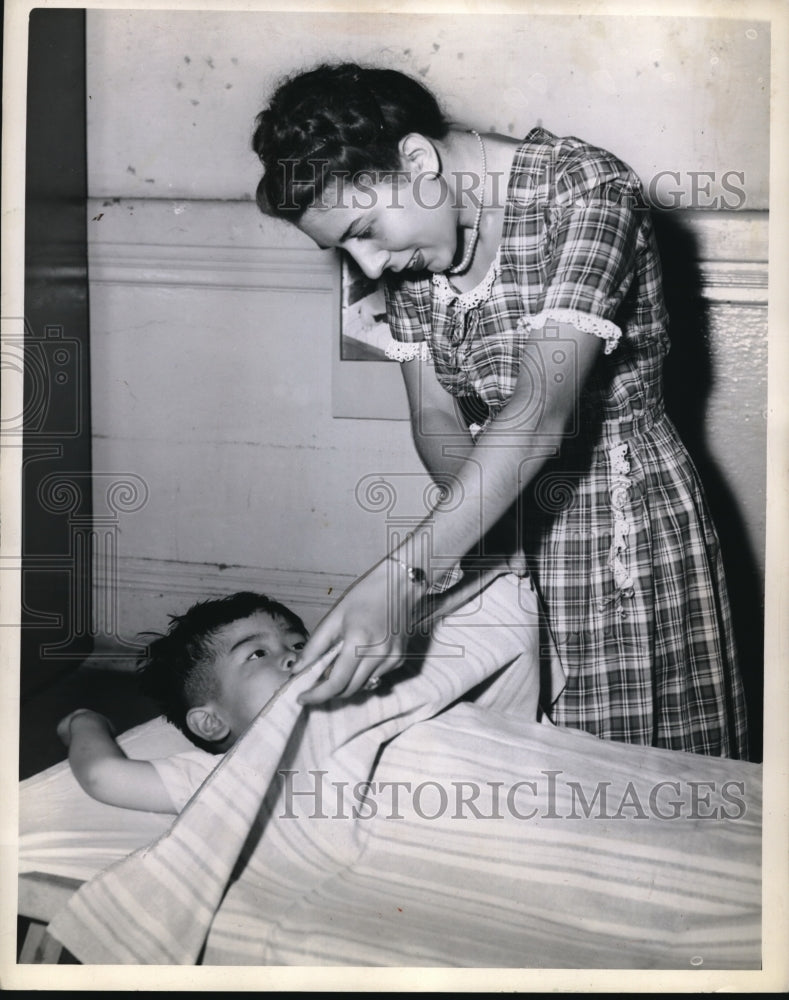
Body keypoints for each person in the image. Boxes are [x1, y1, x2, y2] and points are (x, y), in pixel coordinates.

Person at [251, 62, 748, 759]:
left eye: (366, 229)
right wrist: (495, 538)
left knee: (631, 769)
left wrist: (403, 578)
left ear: (417, 159)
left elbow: (539, 409)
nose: (368, 267)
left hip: (622, 527)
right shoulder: (423, 247)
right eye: (345, 247)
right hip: (490, 513)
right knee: (519, 762)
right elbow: (434, 416)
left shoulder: (584, 191)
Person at [57, 593, 310, 813]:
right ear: (211, 722)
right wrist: (85, 722)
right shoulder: (236, 778)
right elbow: (103, 775)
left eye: (299, 644)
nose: (294, 656)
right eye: (258, 654)